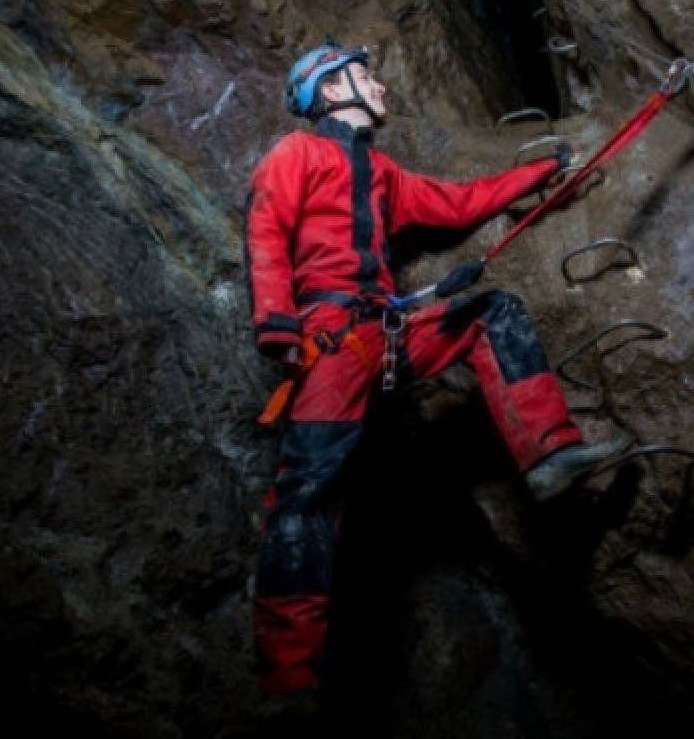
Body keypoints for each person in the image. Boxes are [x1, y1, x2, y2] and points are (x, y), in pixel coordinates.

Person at [244, 40, 629, 720]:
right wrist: (277, 320)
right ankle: (288, 680)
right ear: (331, 93)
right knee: (305, 498)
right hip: (331, 341)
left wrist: (541, 174)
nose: (380, 84)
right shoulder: (295, 155)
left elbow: (455, 205)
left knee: (492, 311)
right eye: (365, 76)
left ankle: (549, 453)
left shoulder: (382, 174)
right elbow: (268, 228)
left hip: (389, 332)